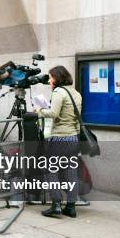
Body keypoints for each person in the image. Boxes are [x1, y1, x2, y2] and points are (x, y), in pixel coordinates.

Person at [34, 65, 82, 219]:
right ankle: (71, 206)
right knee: (70, 171)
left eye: (50, 77)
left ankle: (56, 204)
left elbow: (53, 113)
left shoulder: (58, 92)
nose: (49, 81)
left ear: (57, 78)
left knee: (49, 169)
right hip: (73, 137)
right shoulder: (76, 93)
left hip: (60, 137)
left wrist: (39, 111)